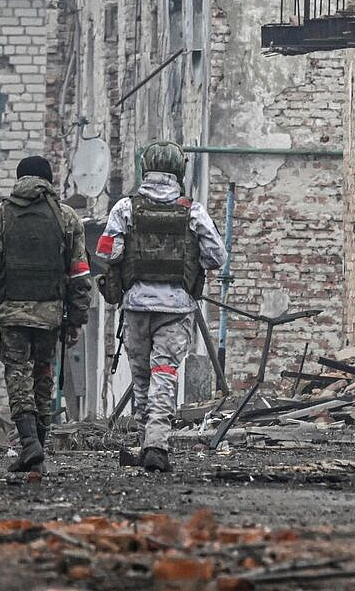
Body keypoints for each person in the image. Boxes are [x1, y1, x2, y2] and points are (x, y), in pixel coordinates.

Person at [96, 140, 225, 472]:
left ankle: (147, 442)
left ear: (145, 168)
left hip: (136, 306)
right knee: (164, 373)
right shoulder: (193, 211)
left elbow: (107, 252)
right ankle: (156, 444)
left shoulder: (125, 208)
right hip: (177, 307)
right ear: (178, 171)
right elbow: (216, 256)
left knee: (142, 377)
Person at [0, 155, 92, 473]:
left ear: (19, 179)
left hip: (12, 312)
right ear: (48, 181)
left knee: (17, 374)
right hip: (50, 313)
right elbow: (80, 274)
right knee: (43, 374)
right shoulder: (67, 218)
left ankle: (29, 443)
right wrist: (76, 319)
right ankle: (39, 445)